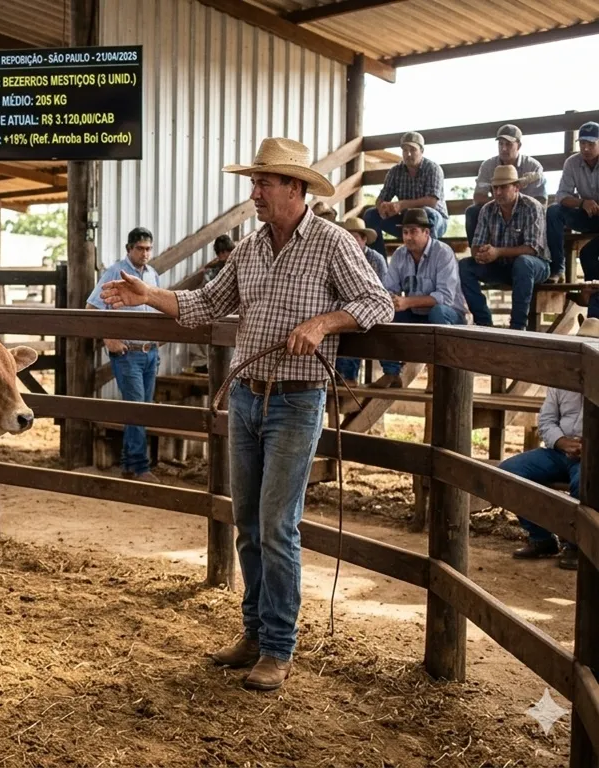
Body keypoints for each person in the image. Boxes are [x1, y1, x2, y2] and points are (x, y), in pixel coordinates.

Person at [100, 137, 393, 691]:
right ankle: (255, 634)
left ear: (295, 188)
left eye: (264, 182)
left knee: (277, 524)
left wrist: (324, 323)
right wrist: (147, 294)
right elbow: (206, 306)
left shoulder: (331, 243)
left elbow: (376, 302)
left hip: (297, 397)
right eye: (254, 182)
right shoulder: (252, 249)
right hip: (246, 396)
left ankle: (279, 647)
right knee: (248, 520)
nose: (254, 192)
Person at [499, 315, 597, 571]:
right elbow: (546, 420)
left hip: (593, 456)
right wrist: (562, 442)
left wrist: (591, 447)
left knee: (583, 484)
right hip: (560, 451)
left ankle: (577, 544)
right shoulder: (562, 379)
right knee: (509, 473)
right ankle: (542, 537)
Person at [87, 226, 161, 483]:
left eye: (149, 248)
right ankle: (140, 467)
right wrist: (110, 339)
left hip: (149, 351)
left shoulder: (152, 275)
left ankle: (130, 464)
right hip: (128, 352)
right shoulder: (115, 273)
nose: (145, 253)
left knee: (142, 408)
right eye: (140, 248)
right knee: (137, 408)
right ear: (129, 249)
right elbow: (92, 307)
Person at [369, 208, 467, 387]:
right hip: (416, 313)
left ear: (426, 232)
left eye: (413, 231)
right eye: (405, 232)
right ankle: (391, 373)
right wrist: (391, 300)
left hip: (450, 315)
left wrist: (406, 302)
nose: (408, 237)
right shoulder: (400, 254)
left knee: (438, 312)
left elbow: (444, 297)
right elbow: (389, 288)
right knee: (384, 311)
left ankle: (436, 376)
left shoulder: (443, 253)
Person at [459, 165, 548, 331]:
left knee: (524, 263)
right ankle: (483, 322)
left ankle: (517, 326)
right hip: (502, 265)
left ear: (517, 187)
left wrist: (497, 252)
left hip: (535, 266)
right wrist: (480, 254)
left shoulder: (531, 207)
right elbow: (477, 243)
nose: (498, 192)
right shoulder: (487, 209)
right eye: (495, 188)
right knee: (464, 266)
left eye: (503, 187)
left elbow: (532, 249)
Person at [464, 125, 547, 268]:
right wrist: (502, 200)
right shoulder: (488, 166)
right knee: (473, 211)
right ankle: (480, 255)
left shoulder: (533, 166)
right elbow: (478, 196)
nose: (503, 148)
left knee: (552, 215)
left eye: (508, 144)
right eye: (501, 144)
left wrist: (513, 200)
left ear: (518, 145)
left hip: (529, 213)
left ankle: (556, 266)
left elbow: (541, 201)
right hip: (497, 210)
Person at [548, 121, 599, 311]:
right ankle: (557, 268)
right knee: (553, 211)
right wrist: (582, 203)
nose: (585, 148)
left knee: (588, 254)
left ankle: (591, 300)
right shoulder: (572, 162)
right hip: (586, 214)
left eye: (591, 143)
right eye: (582, 143)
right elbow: (561, 196)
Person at [364, 131, 449, 243]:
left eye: (413, 150)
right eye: (405, 150)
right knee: (371, 215)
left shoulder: (433, 169)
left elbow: (431, 202)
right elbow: (381, 198)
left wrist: (401, 205)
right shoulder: (395, 171)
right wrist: (383, 207)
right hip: (406, 220)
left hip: (436, 220)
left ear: (421, 151)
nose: (408, 154)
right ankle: (378, 259)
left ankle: (429, 257)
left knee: (427, 212)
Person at [333, 218, 388, 388]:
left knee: (354, 320)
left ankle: (348, 375)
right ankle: (334, 374)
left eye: (355, 236)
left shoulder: (375, 259)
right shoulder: (340, 256)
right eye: (347, 236)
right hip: (343, 305)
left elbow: (382, 292)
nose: (350, 240)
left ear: (364, 239)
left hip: (369, 307)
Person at [187, 234, 236, 374]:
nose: (224, 255)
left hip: (234, 310)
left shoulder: (241, 265)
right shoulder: (212, 271)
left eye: (227, 252)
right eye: (221, 253)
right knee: (195, 324)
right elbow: (208, 290)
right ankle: (201, 362)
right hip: (216, 308)